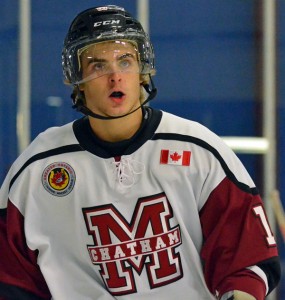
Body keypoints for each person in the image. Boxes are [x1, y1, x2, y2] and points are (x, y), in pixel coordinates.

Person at [0, 5, 281, 300]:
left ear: (143, 70)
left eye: (125, 62)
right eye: (98, 66)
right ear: (75, 79)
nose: (115, 77)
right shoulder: (37, 169)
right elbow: (12, 278)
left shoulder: (197, 149)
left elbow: (247, 255)